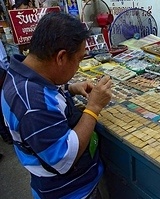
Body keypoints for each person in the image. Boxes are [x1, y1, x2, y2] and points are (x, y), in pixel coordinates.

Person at [1, 11, 112, 199]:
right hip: (70, 193)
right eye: (77, 60)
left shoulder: (20, 74)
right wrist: (93, 107)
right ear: (60, 58)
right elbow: (64, 159)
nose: (77, 66)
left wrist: (69, 88)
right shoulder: (31, 103)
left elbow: (45, 96)